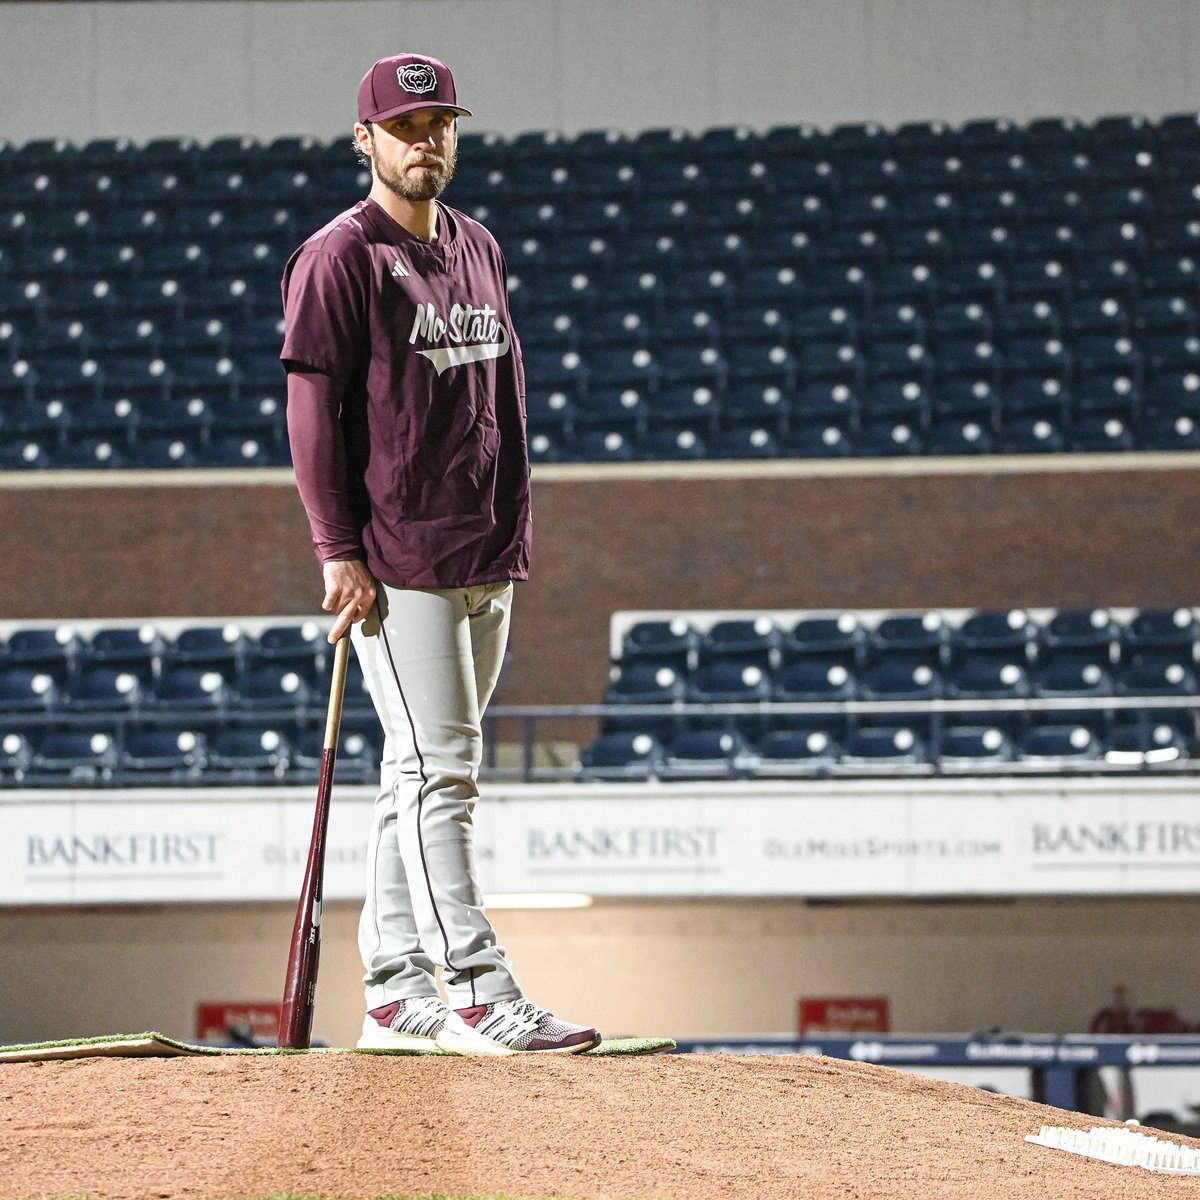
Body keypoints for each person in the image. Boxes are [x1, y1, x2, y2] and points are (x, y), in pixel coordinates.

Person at [279, 52, 600, 1056]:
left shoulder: (477, 246)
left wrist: (513, 534)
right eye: (405, 128)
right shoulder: (338, 256)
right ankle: (477, 989)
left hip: (484, 556)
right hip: (398, 562)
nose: (426, 143)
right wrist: (338, 550)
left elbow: (502, 399)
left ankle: (393, 990)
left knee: (410, 775)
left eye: (440, 125)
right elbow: (312, 418)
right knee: (443, 769)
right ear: (365, 140)